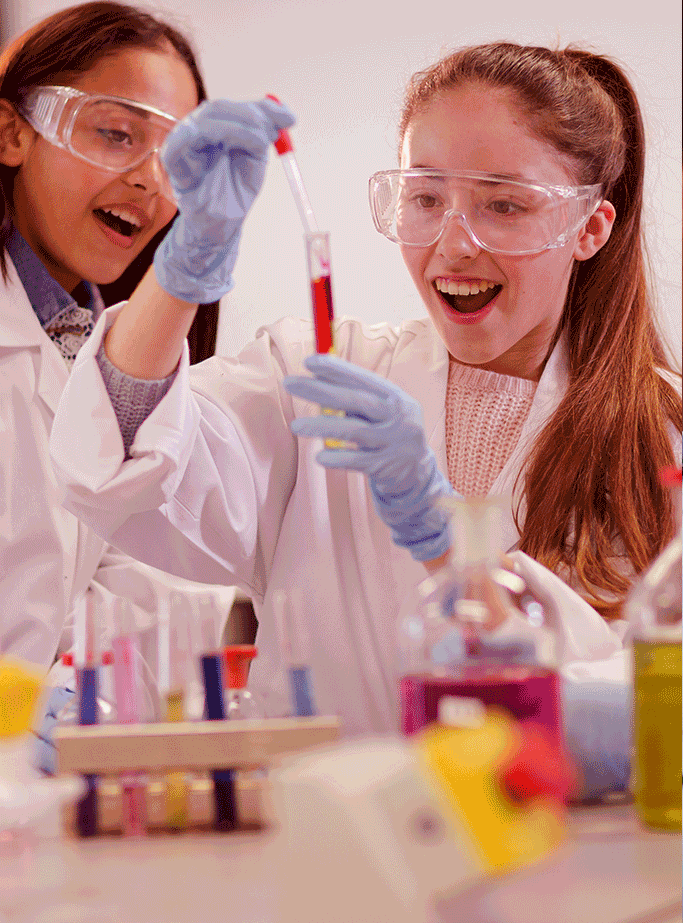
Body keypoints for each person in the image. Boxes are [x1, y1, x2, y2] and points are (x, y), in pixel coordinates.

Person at [50, 42, 681, 797]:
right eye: (424, 198)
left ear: (589, 227)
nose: (452, 243)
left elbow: (640, 713)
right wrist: (183, 265)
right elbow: (121, 461)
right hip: (327, 866)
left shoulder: (660, 433)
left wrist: (447, 545)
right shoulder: (321, 378)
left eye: (503, 204)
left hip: (564, 883)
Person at [0, 1, 236, 757]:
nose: (150, 181)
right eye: (116, 134)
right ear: (12, 132)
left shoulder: (108, 350)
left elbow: (135, 573)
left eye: (179, 156)